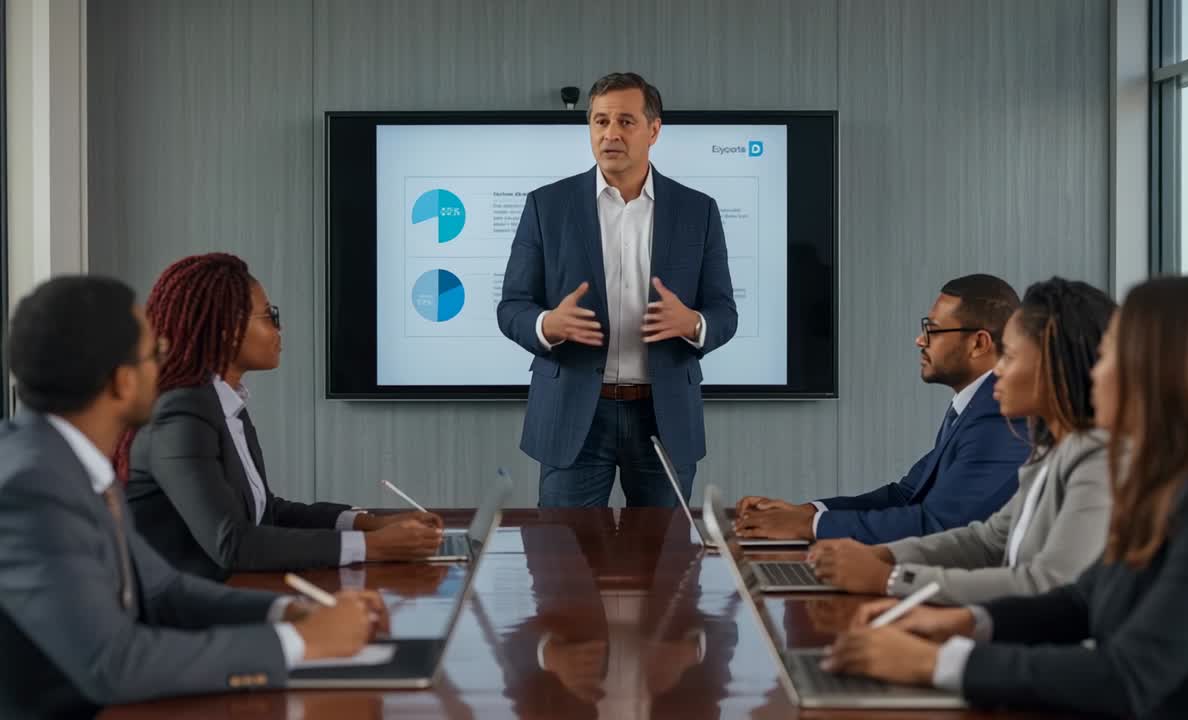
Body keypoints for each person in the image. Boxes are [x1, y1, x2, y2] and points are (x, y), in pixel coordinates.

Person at [827, 276, 1188, 719]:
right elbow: (1081, 600)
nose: (1094, 371)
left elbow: (1128, 674)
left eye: (1108, 356)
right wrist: (965, 623)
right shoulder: (1167, 480)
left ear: (1157, 373)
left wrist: (937, 663)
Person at [0, 275, 387, 717]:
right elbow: (114, 663)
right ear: (123, 382)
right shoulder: (31, 490)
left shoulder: (69, 462)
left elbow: (164, 591)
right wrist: (300, 642)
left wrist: (291, 612)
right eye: (156, 354)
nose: (166, 366)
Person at [119, 253, 442, 581]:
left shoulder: (222, 405)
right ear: (228, 329)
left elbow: (267, 513)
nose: (279, 328)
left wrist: (370, 523)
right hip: (184, 605)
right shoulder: (180, 415)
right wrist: (374, 546)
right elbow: (233, 543)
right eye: (269, 316)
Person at [497, 72, 737, 508]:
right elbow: (512, 306)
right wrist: (547, 324)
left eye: (626, 121)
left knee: (664, 550)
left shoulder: (698, 210)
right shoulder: (546, 206)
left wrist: (693, 323)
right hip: (573, 414)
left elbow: (723, 311)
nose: (610, 134)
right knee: (562, 549)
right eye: (600, 121)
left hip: (663, 415)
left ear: (654, 130)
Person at [808, 278, 1116, 604]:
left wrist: (890, 577)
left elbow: (1049, 584)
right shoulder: (1049, 449)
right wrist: (884, 556)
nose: (998, 370)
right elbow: (988, 540)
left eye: (1009, 356)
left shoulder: (1096, 458)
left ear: (1054, 367)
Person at [735, 275, 1026, 543]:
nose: (920, 340)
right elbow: (905, 495)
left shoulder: (1001, 417)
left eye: (933, 330)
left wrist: (809, 526)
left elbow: (938, 526)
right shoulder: (974, 406)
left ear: (978, 343)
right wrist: (807, 512)